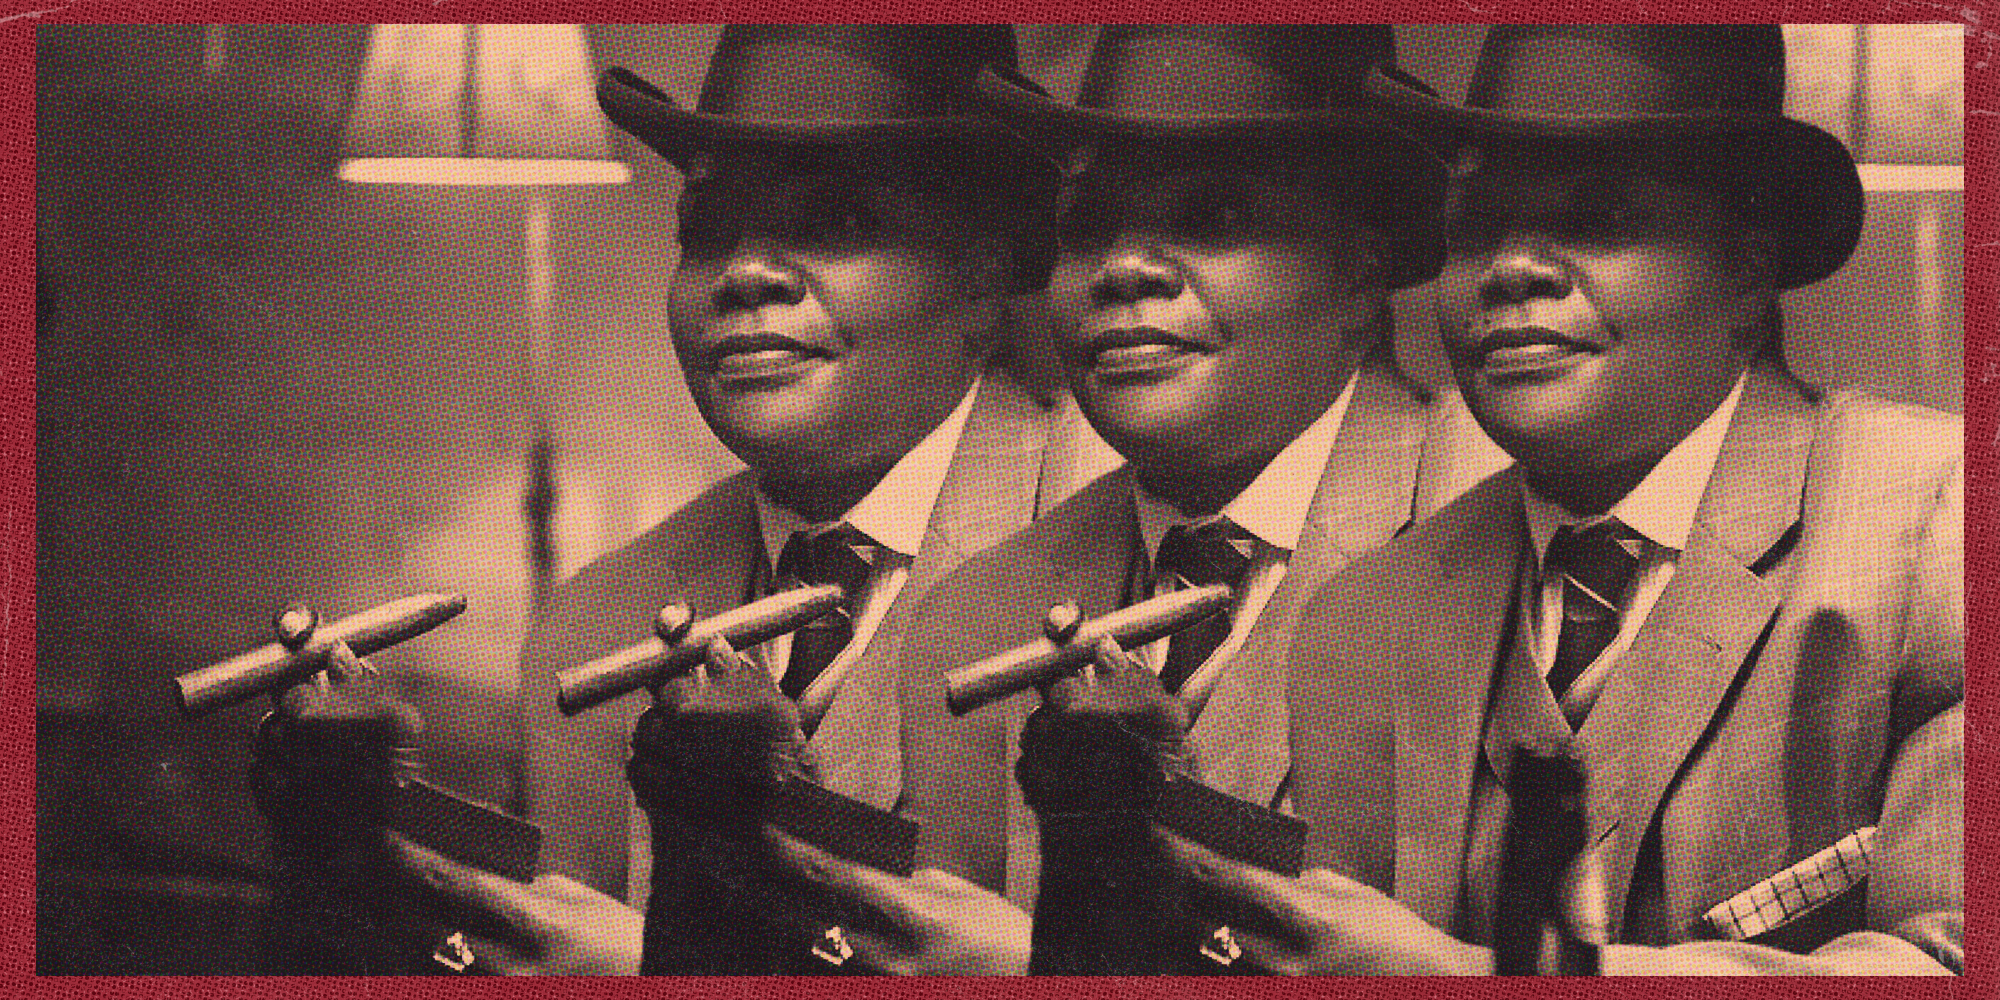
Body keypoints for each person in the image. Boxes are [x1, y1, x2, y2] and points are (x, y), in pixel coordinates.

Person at [1172, 25, 1962, 974]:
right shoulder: (1367, 616)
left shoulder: (1940, 527)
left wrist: (1468, 979)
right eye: (1476, 228)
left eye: (1597, 216)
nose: (1513, 268)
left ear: (1749, 263)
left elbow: (1954, 962)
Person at [770, 25, 1506, 974]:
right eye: (1087, 227)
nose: (1125, 267)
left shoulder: (1504, 547)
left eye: (1214, 217)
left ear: (1362, 268)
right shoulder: (976, 613)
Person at [376, 25, 1069, 974]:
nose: (743, 273)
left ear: (987, 277)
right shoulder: (594, 624)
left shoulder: (1138, 562)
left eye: (834, 226)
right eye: (705, 232)